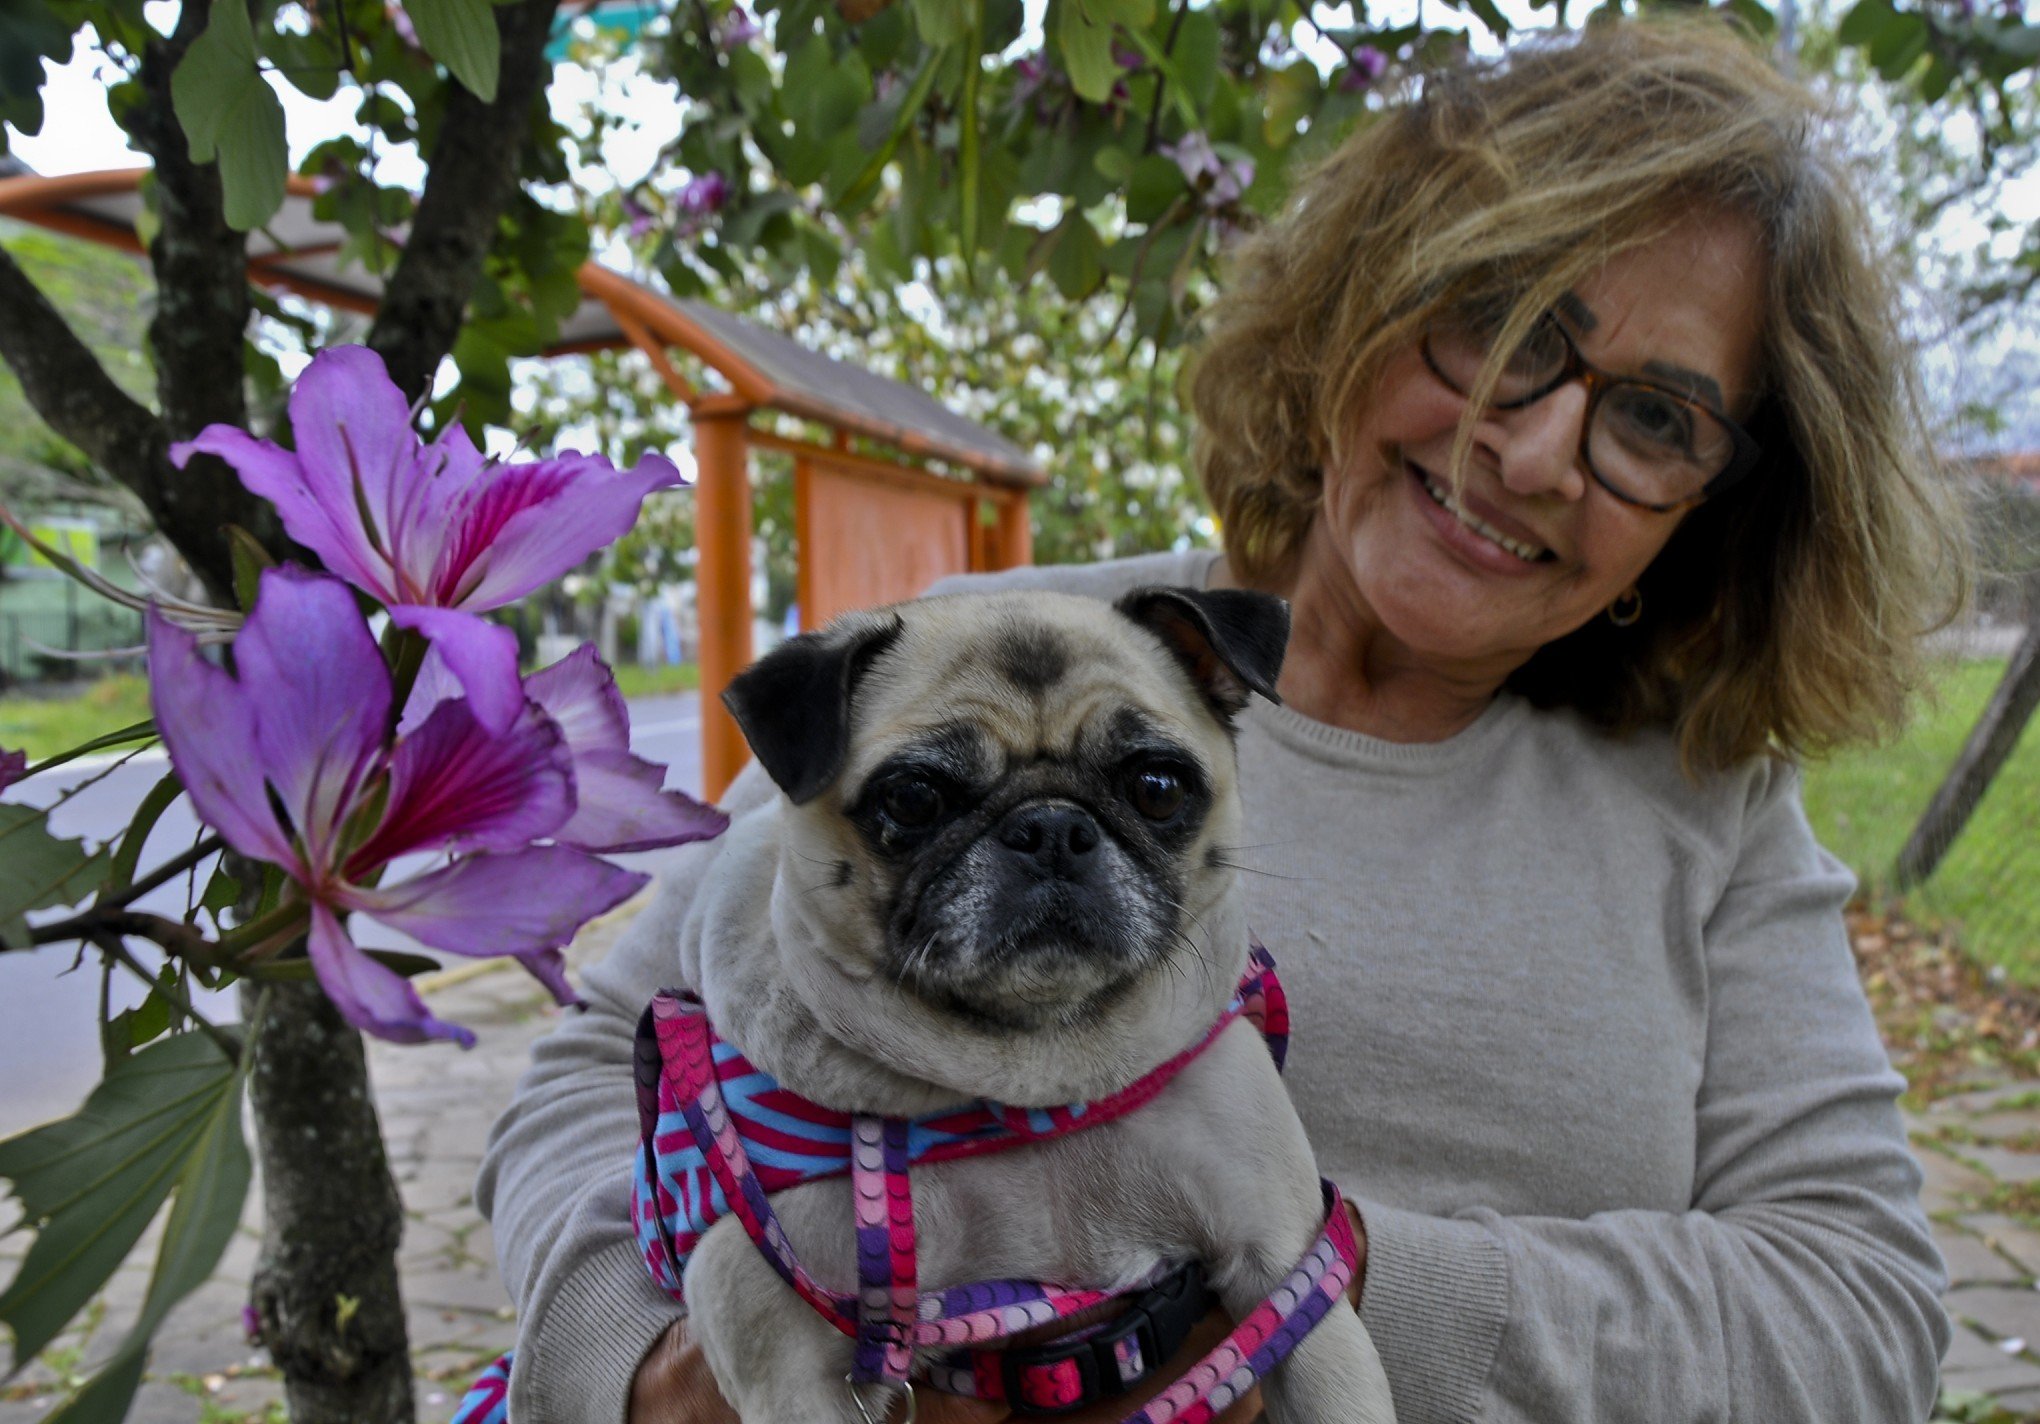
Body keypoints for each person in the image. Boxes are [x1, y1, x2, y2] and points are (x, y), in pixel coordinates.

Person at [475, 18, 1966, 1422]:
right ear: (1358, 308)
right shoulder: (980, 656)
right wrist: (648, 1373)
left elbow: (1862, 1312)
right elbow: (591, 1080)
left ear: (1716, 508)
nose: (1531, 448)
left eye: (1655, 417)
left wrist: (1315, 1278)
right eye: (1498, 328)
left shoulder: (1707, 805)